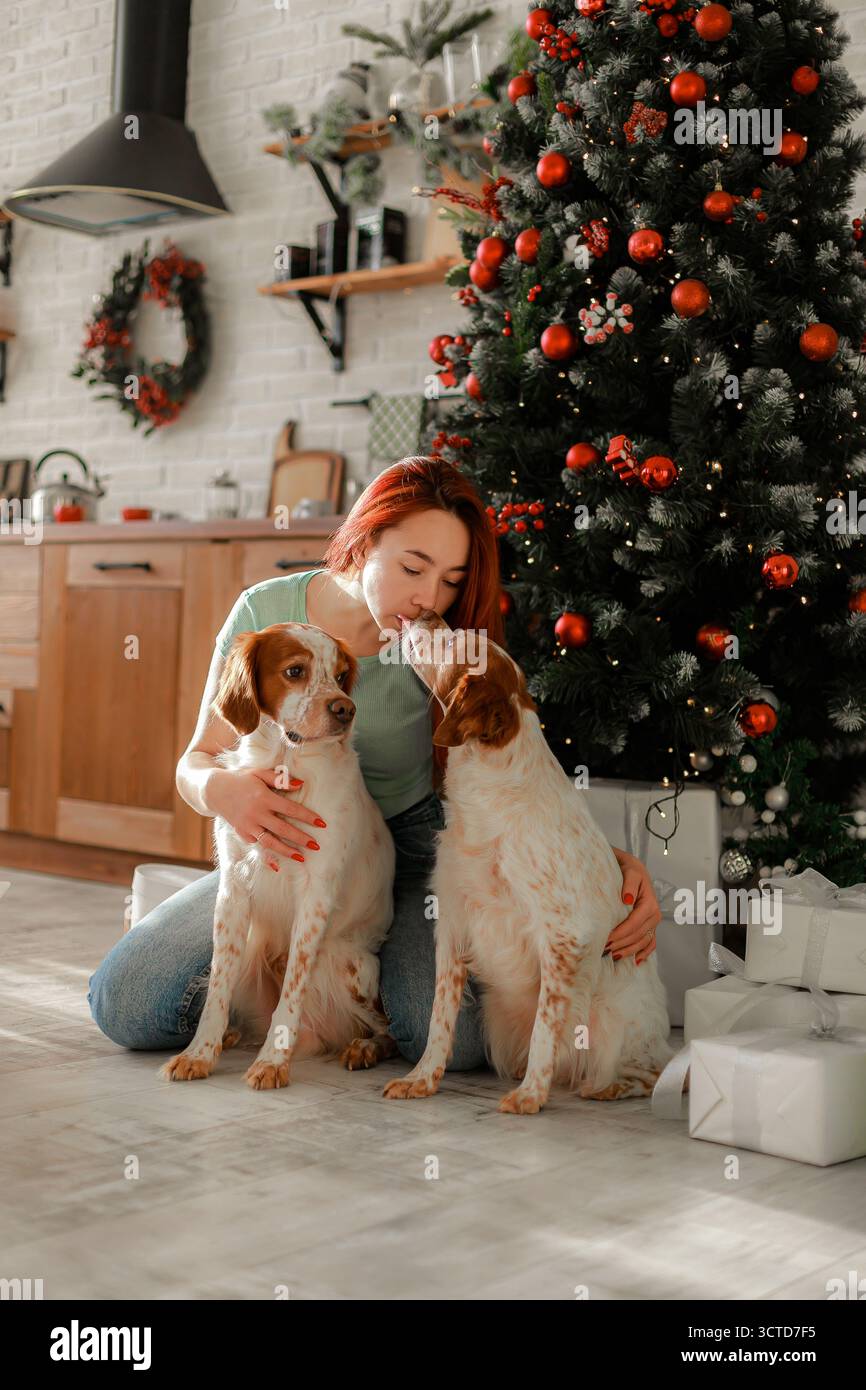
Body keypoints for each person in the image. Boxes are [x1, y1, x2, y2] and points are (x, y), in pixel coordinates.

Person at [88, 456, 661, 1069]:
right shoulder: (266, 612)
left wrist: (607, 868)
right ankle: (300, 976)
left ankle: (349, 975)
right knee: (127, 1005)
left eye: (450, 579)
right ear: (364, 540)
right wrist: (226, 792)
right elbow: (196, 761)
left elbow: (522, 769)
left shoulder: (442, 644)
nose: (427, 598)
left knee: (453, 1041)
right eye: (413, 567)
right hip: (283, 844)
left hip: (415, 854)